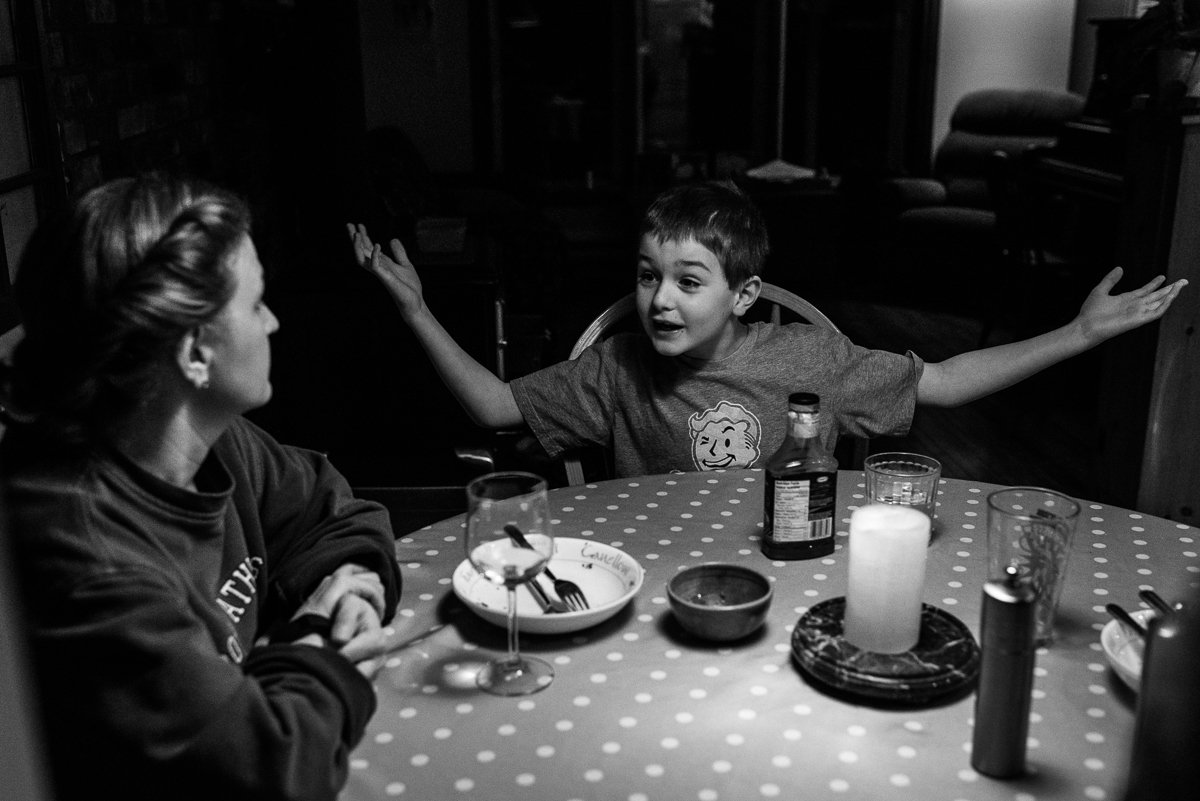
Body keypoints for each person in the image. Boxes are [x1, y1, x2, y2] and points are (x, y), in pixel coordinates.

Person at [0, 173, 402, 801]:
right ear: (194, 351)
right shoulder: (85, 557)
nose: (272, 322)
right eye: (255, 303)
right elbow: (272, 771)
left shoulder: (212, 437)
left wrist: (351, 584)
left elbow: (330, 507)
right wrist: (315, 651)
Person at [346, 180, 1186, 477]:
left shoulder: (808, 355)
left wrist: (1077, 335)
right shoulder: (614, 368)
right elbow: (495, 408)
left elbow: (942, 381)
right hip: (658, 573)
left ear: (744, 295)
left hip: (788, 568)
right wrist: (415, 308)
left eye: (688, 280)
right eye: (647, 277)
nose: (660, 302)